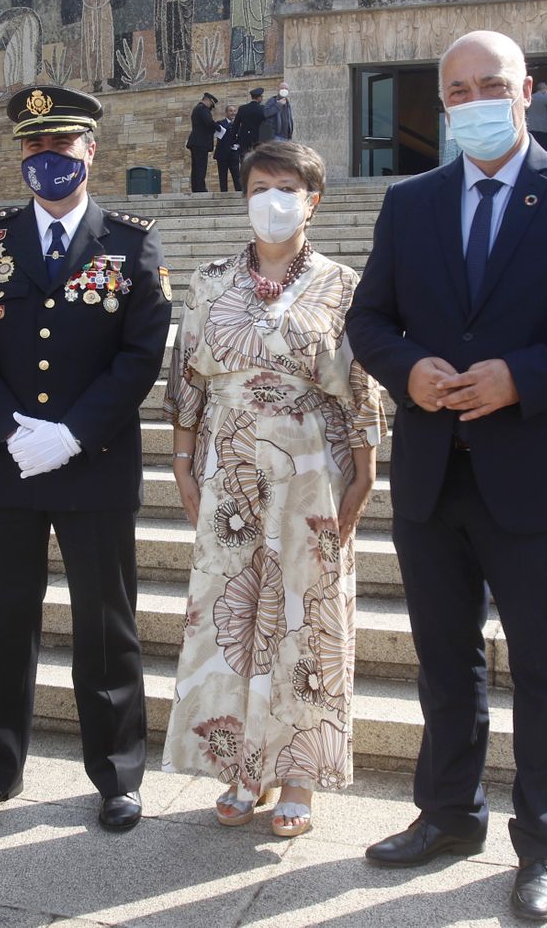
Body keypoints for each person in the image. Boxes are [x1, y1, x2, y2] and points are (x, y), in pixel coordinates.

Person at [345, 31, 547, 923]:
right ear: (442, 104)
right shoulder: (410, 203)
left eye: (492, 84)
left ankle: (543, 843)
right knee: (445, 663)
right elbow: (371, 321)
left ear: (526, 92)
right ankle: (447, 815)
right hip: (435, 475)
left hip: (534, 475)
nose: (475, 100)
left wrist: (524, 374)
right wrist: (407, 370)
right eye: (457, 90)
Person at [0, 85, 173, 834]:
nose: (48, 161)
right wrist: (11, 430)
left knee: (106, 626)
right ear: (21, 155)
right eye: (35, 148)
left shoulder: (132, 243)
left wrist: (72, 434)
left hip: (95, 464)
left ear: (90, 151)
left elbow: (140, 357)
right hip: (7, 463)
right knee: (7, 623)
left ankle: (117, 774)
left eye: (62, 147)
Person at [162, 141, 383, 840]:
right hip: (228, 469)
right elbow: (186, 382)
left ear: (313, 199)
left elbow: (362, 385)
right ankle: (241, 768)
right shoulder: (208, 280)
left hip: (313, 471)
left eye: (288, 187)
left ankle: (299, 778)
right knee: (234, 619)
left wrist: (368, 468)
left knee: (305, 618)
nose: (273, 198)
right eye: (261, 185)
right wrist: (180, 460)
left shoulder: (344, 286)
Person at [187, 92, 218, 193]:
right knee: (200, 166)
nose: (210, 107)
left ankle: (196, 187)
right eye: (211, 104)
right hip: (200, 142)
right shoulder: (202, 109)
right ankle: (200, 188)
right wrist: (218, 127)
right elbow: (209, 122)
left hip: (196, 142)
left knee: (196, 166)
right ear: (207, 100)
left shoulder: (198, 109)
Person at [215, 103, 242, 191]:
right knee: (222, 176)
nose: (233, 113)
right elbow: (221, 135)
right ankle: (223, 193)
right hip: (222, 154)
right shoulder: (220, 123)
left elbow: (241, 137)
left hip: (234, 153)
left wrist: (237, 145)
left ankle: (239, 191)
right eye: (231, 111)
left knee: (237, 175)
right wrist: (231, 124)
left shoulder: (239, 124)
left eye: (234, 111)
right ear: (226, 113)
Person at [235, 87, 268, 153]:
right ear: (259, 97)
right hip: (258, 140)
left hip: (244, 139)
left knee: (244, 160)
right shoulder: (263, 109)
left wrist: (234, 140)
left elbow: (236, 125)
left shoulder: (242, 108)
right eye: (261, 97)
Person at [525, 85, 547, 152]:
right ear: (544, 89)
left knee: (532, 149)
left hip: (531, 126)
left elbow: (526, 110)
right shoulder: (546, 98)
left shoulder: (529, 98)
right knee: (545, 148)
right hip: (543, 127)